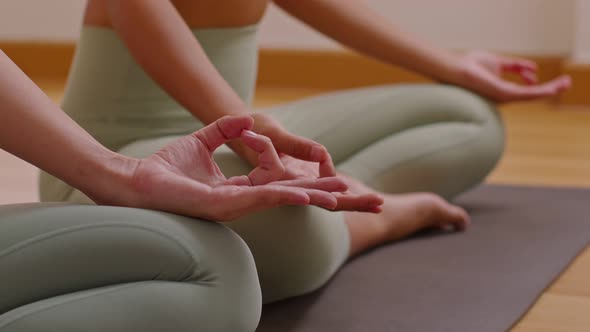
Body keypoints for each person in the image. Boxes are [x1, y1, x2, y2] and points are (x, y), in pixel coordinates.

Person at [40, 0, 571, 307]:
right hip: (116, 170)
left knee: (468, 116)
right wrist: (253, 131)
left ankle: (338, 194)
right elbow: (141, 18)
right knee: (277, 238)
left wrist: (455, 66)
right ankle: (373, 221)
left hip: (239, 136)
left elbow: (333, 11)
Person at [0, 48, 376, 331]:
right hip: (101, 161)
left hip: (114, 162)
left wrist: (126, 178)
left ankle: (373, 205)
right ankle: (376, 221)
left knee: (226, 260)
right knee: (228, 271)